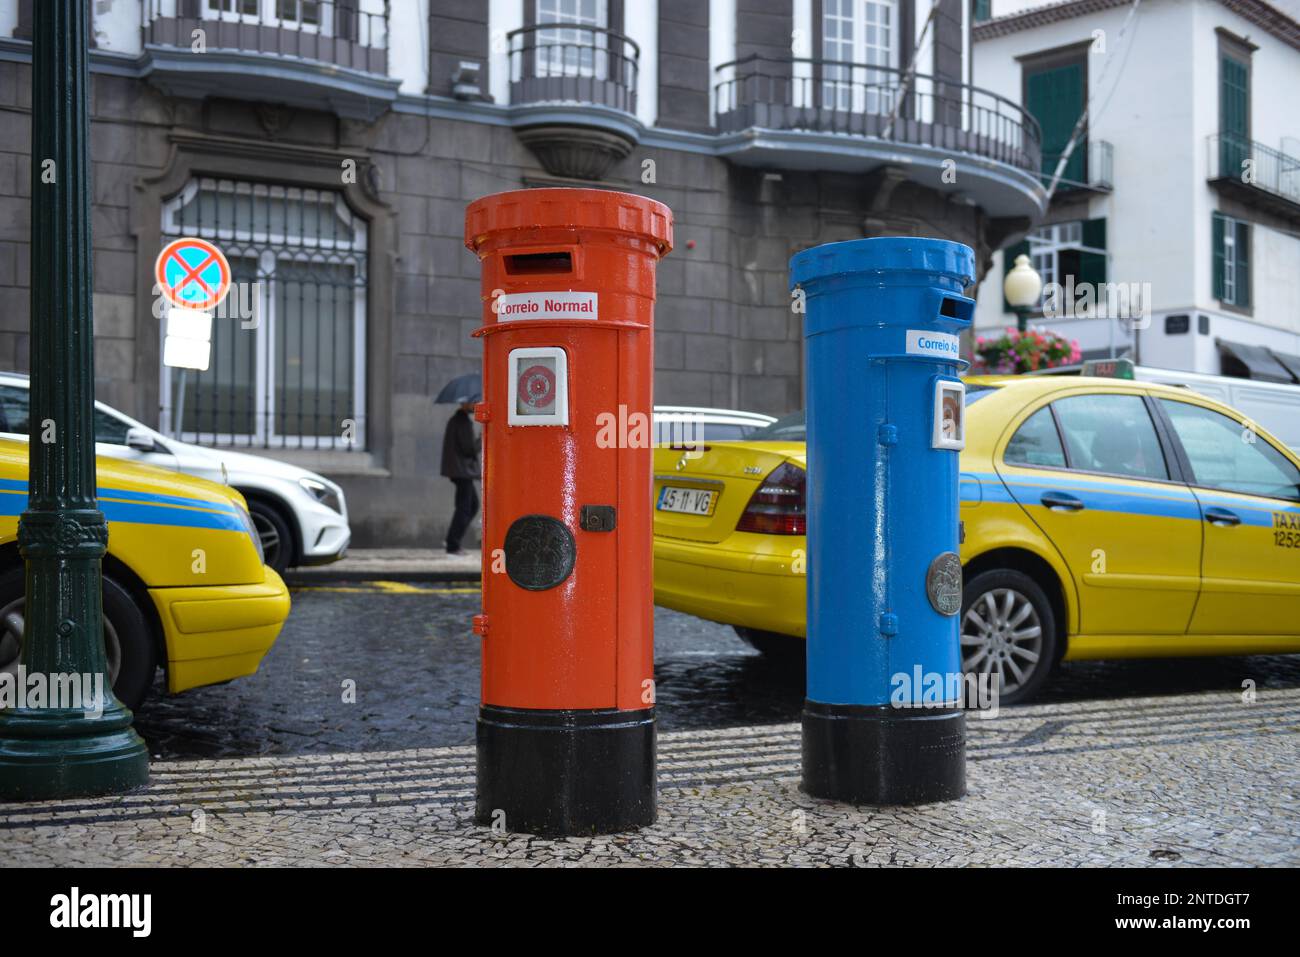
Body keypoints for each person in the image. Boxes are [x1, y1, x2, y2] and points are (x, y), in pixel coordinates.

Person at [441, 400, 480, 554]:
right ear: (465, 404)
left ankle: (452, 540)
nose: (475, 406)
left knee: (471, 505)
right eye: (473, 403)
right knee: (465, 507)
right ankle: (453, 544)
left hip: (459, 471)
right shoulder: (463, 422)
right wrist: (481, 439)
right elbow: (469, 449)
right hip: (462, 471)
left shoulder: (456, 420)